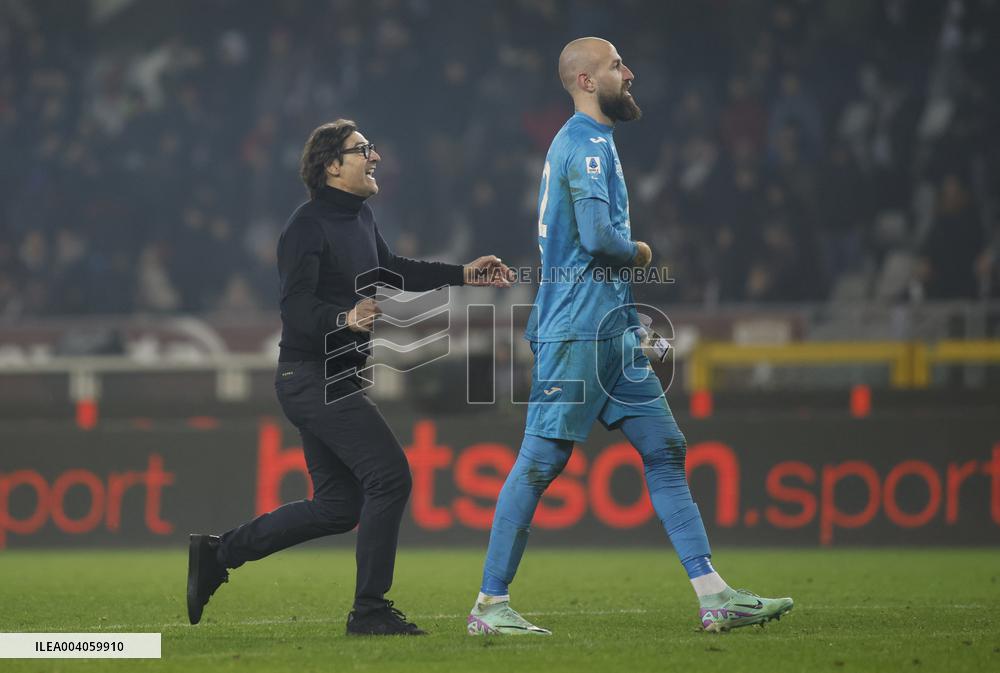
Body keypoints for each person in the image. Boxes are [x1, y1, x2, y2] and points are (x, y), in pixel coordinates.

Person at [467, 38, 793, 636]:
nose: (630, 72)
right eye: (617, 65)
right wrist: (640, 251)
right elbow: (598, 238)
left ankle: (714, 595)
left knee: (665, 449)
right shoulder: (586, 146)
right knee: (540, 461)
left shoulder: (591, 141)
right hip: (578, 332)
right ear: (587, 81)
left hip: (610, 331)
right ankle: (490, 604)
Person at [188, 119, 511, 636]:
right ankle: (369, 611)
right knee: (390, 476)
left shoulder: (360, 217)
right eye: (363, 149)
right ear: (332, 166)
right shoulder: (305, 227)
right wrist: (344, 317)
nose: (375, 157)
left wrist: (463, 273)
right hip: (309, 376)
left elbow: (392, 270)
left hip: (333, 377)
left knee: (338, 508)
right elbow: (295, 308)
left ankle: (218, 554)